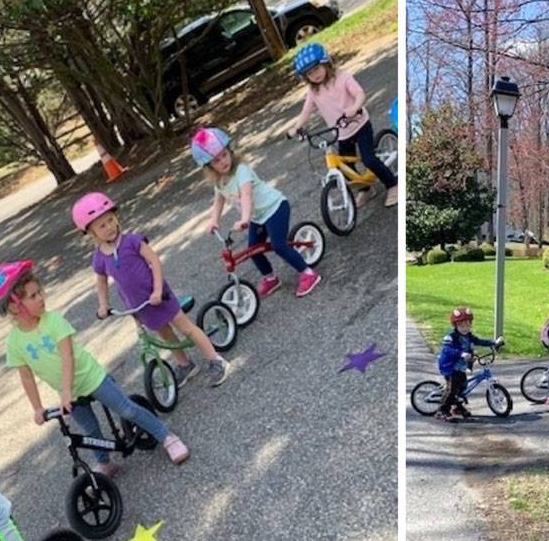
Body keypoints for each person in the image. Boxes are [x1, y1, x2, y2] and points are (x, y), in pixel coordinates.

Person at [0, 260, 190, 470]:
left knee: (127, 410)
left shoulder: (53, 321)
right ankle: (105, 464)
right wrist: (37, 408)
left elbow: (67, 357)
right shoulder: (14, 342)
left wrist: (65, 392)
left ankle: (167, 437)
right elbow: (26, 376)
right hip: (68, 390)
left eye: (39, 292)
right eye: (33, 296)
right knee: (89, 429)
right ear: (13, 305)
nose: (41, 298)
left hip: (90, 377)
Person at [73, 191, 229, 389]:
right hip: (138, 305)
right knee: (164, 334)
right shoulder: (99, 257)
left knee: (186, 328)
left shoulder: (132, 241)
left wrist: (157, 290)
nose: (110, 226)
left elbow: (154, 261)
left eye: (111, 220)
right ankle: (185, 364)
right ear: (91, 233)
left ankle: (215, 360)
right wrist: (104, 305)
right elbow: (101, 280)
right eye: (102, 225)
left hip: (159, 296)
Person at [192, 127, 322, 298]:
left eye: (224, 155)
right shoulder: (220, 182)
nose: (223, 162)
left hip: (275, 208)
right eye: (216, 161)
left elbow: (246, 196)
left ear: (230, 151)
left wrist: (244, 219)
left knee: (279, 245)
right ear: (209, 167)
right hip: (258, 217)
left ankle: (308, 273)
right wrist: (213, 220)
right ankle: (270, 278)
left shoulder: (241, 171)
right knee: (253, 249)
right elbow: (219, 200)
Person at [287, 42, 397, 208]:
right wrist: (295, 128)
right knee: (346, 167)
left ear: (326, 63)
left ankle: (393, 184)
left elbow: (359, 94)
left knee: (369, 159)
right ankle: (366, 190)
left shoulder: (342, 77)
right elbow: (306, 112)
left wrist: (354, 107)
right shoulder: (313, 92)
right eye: (309, 73)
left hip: (360, 125)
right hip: (341, 133)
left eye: (316, 68)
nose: (314, 75)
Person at [435, 307, 501, 421]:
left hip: (461, 368)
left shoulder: (469, 336)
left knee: (462, 388)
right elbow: (447, 350)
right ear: (455, 325)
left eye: (468, 325)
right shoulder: (451, 337)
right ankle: (442, 411)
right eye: (462, 326)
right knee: (452, 389)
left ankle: (457, 407)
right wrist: (461, 354)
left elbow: (479, 341)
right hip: (450, 367)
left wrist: (493, 342)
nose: (465, 328)